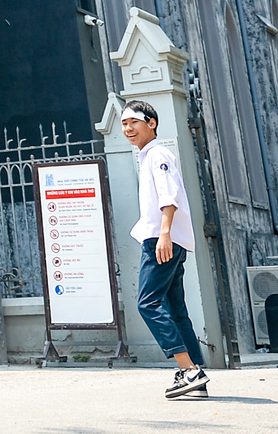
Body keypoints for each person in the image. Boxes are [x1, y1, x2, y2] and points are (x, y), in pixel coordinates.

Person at [118, 101, 208, 399]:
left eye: (134, 122)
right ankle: (197, 378)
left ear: (151, 123)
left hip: (161, 240)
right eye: (124, 124)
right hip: (164, 238)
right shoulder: (148, 157)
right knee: (175, 309)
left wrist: (165, 234)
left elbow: (170, 197)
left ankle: (189, 370)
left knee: (147, 302)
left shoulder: (157, 155)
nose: (128, 129)